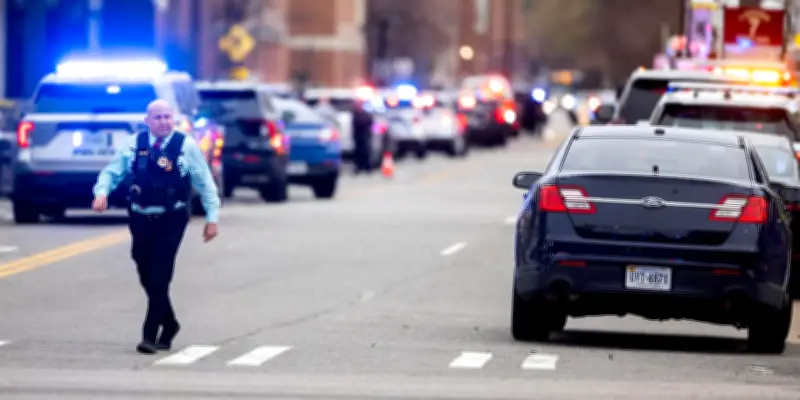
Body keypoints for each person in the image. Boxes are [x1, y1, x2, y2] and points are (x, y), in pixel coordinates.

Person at [91, 99, 221, 354]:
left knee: (161, 274)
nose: (164, 122)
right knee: (144, 270)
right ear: (147, 121)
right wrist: (101, 192)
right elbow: (111, 172)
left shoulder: (186, 146)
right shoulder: (134, 144)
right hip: (140, 216)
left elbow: (205, 182)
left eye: (167, 117)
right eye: (158, 117)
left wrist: (212, 217)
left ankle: (149, 335)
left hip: (172, 218)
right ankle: (170, 323)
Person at [351, 99, 374, 174]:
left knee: (366, 151)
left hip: (365, 135)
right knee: (358, 152)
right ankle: (359, 167)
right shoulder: (354, 114)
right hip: (358, 136)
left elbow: (370, 122)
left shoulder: (365, 114)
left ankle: (367, 167)